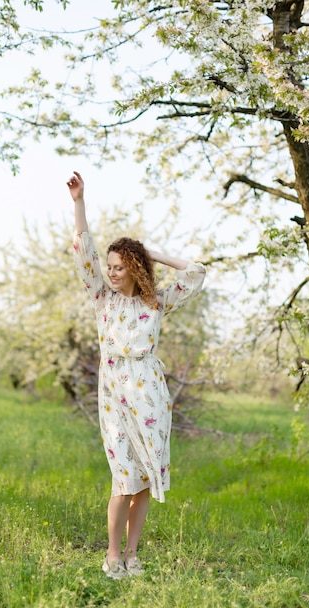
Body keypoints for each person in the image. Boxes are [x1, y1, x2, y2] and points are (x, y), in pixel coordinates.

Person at [67, 170, 206, 579]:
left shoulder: (156, 301)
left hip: (150, 395)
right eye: (109, 266)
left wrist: (155, 254)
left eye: (119, 266)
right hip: (114, 394)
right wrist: (79, 203)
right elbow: (84, 252)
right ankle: (112, 555)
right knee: (122, 478)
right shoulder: (101, 298)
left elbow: (196, 273)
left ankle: (132, 553)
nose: (111, 272)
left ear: (134, 267)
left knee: (143, 479)